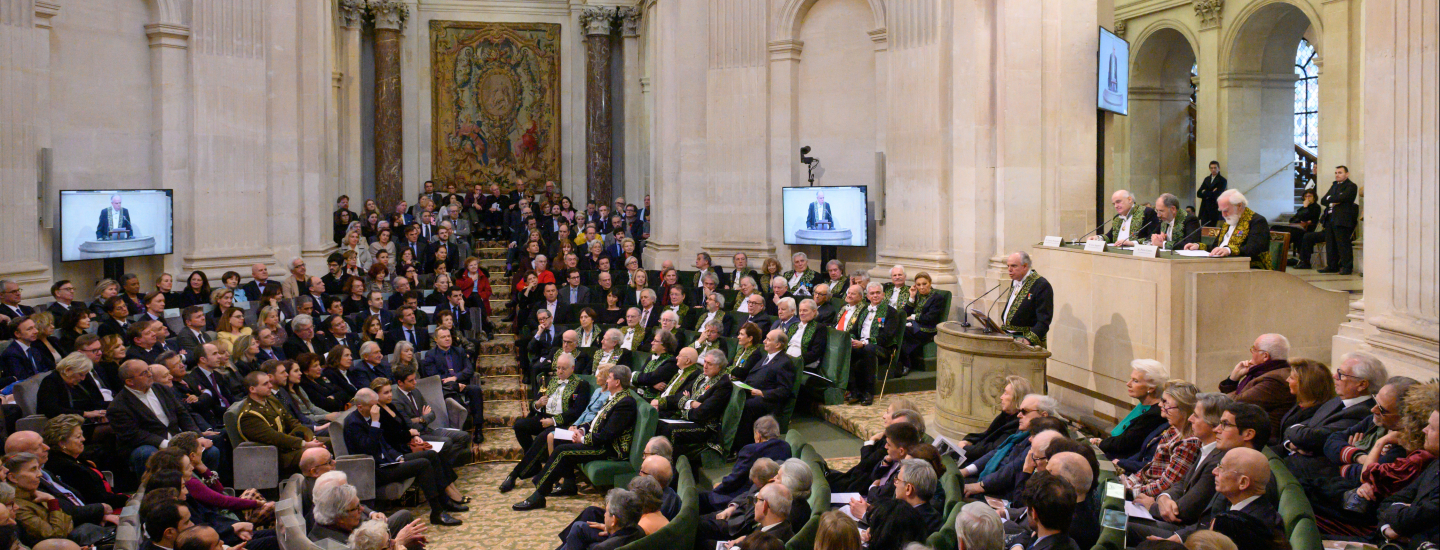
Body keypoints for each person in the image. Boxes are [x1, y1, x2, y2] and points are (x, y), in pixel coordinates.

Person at [511, 365, 638, 511]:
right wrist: (582, 429)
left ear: (617, 382)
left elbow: (607, 435)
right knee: (557, 439)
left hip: (609, 450)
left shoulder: (625, 403)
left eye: (609, 377)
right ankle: (568, 484)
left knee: (563, 451)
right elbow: (597, 419)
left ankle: (539, 495)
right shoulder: (615, 397)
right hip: (597, 441)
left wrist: (583, 440)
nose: (606, 380)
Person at [342, 388, 465, 525]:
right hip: (375, 469)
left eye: (377, 404)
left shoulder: (371, 415)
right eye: (373, 406)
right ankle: (437, 512)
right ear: (360, 407)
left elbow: (384, 444)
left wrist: (398, 457)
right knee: (423, 464)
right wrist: (375, 423)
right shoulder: (353, 423)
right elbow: (368, 449)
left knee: (431, 454)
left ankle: (445, 502)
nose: (376, 409)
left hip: (388, 461)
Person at [1146, 447, 1280, 544]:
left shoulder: (1250, 528)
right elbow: (1204, 525)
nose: (1214, 472)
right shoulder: (1239, 501)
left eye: (1222, 468)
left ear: (1243, 482)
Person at [1279, 352, 1386, 457]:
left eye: (1341, 374)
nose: (1334, 376)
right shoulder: (1337, 400)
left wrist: (1295, 433)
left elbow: (1309, 438)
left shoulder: (1364, 412)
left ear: (1362, 384)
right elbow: (1300, 427)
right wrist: (1290, 443)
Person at [1122, 381, 1202, 498]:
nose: (1160, 405)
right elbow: (1152, 467)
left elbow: (1166, 485)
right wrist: (1129, 482)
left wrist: (1130, 491)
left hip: (1152, 500)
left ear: (1183, 408)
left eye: (1165, 402)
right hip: (1143, 489)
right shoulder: (1173, 429)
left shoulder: (1189, 443)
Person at [235, 371, 323, 472]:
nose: (270, 386)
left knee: (328, 442)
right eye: (265, 384)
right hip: (274, 457)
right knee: (319, 452)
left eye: (269, 382)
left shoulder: (270, 401)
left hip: (288, 448)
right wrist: (305, 444)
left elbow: (291, 421)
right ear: (252, 389)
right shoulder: (249, 415)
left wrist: (311, 438)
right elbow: (275, 437)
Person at [389, 363, 472, 466]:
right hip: (416, 436)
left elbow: (432, 414)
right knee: (447, 442)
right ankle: (442, 468)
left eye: (414, 379)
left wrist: (420, 419)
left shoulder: (415, 391)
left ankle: (443, 465)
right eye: (411, 381)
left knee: (465, 436)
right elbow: (409, 425)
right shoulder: (396, 400)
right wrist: (424, 418)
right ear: (400, 383)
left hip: (428, 430)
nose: (415, 382)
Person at [40, 414, 129, 510]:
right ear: (62, 443)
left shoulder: (74, 458)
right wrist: (129, 498)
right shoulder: (66, 468)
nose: (83, 439)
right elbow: (96, 499)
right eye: (78, 437)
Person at [1218, 334, 1296, 435]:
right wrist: (1233, 379)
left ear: (1265, 356)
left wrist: (1232, 381)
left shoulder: (1274, 379)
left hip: (1262, 441)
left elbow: (1236, 404)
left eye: (1254, 349)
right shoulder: (1261, 373)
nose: (1251, 353)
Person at [1091, 359, 1170, 459]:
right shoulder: (1143, 405)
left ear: (1151, 388)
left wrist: (1099, 442)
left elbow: (1124, 444)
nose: (1128, 384)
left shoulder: (1155, 414)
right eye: (1130, 379)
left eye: (1135, 381)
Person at [733, 331, 796, 451]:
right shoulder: (765, 357)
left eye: (768, 339)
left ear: (778, 345)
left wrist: (762, 393)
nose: (764, 342)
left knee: (746, 406)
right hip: (752, 393)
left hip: (769, 401)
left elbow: (785, 390)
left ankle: (742, 447)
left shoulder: (785, 363)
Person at [1183, 190, 1272, 269]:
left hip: (1251, 269)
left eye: (1226, 210)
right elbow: (1216, 247)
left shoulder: (1257, 221)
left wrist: (1228, 250)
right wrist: (1198, 246)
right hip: (1223, 265)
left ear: (1239, 206)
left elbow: (1253, 249)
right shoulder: (1228, 222)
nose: (1223, 215)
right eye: (1221, 211)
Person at [419, 327, 483, 432]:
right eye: (443, 337)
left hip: (462, 384)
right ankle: (463, 424)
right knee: (452, 394)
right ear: (436, 340)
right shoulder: (431, 355)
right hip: (445, 388)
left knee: (476, 390)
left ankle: (478, 428)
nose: (447, 339)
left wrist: (455, 377)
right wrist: (454, 384)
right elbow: (433, 376)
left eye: (448, 336)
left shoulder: (459, 351)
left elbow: (469, 369)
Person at [958, 375, 1028, 467]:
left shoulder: (1017, 423)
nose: (1001, 397)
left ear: (1017, 398)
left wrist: (965, 448)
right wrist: (969, 440)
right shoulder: (1006, 415)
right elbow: (986, 435)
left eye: (1006, 394)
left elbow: (993, 449)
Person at [998, 252, 1053, 348]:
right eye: (1008, 266)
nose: (1009, 270)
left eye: (1014, 266)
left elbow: (1044, 320)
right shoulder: (1016, 281)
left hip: (1028, 343)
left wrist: (1028, 340)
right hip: (1009, 340)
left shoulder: (1041, 285)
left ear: (1025, 266)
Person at [35, 353, 107, 422]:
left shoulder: (77, 382)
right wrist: (85, 414)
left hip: (83, 420)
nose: (83, 378)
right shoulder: (50, 382)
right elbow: (51, 410)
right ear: (68, 370)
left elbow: (93, 401)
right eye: (81, 375)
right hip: (65, 425)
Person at [1317, 165, 1360, 274]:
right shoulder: (1334, 186)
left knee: (1343, 244)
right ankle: (1332, 265)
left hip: (1342, 219)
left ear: (1347, 174)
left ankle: (1347, 267)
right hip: (1330, 218)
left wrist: (1330, 199)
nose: (1337, 175)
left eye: (1340, 172)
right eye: (1336, 173)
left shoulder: (1351, 186)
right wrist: (1332, 200)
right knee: (1330, 243)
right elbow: (1323, 200)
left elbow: (1344, 198)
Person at [1089, 190, 1158, 246]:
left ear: (1129, 199)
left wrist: (1132, 243)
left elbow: (1152, 238)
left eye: (1118, 202)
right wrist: (1097, 238)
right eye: (1114, 204)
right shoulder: (1117, 218)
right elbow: (1110, 236)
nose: (1116, 206)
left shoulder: (1147, 212)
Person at [1196, 161, 1227, 227]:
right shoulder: (1206, 179)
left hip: (1214, 209)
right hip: (1205, 209)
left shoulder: (1222, 180)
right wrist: (1211, 192)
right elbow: (1198, 193)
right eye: (1211, 168)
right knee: (1204, 230)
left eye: (1215, 168)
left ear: (1219, 168)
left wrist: (1205, 192)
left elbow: (1217, 194)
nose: (1213, 170)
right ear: (1209, 169)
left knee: (1213, 231)